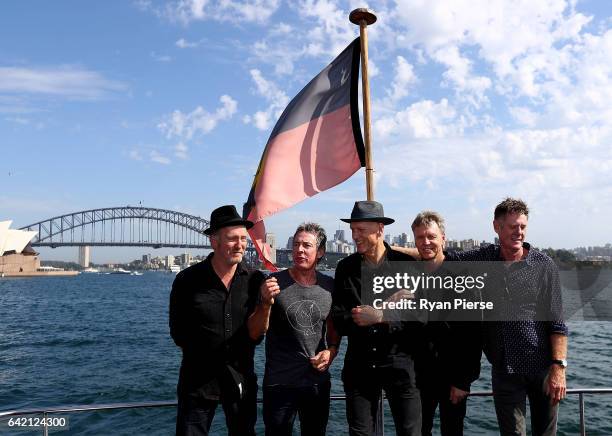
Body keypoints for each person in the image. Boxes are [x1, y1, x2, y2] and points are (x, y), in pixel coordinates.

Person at [445, 198, 568, 436]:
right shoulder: (485, 257)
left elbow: (557, 323)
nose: (519, 232)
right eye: (512, 226)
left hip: (542, 368)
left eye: (522, 226)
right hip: (505, 370)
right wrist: (390, 250)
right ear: (497, 227)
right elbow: (442, 257)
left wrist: (559, 368)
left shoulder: (544, 265)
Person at [332, 200, 422, 436]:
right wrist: (374, 312)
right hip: (359, 367)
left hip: (400, 366)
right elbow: (339, 319)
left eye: (361, 230)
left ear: (380, 229)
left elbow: (419, 318)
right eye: (353, 230)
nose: (355, 236)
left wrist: (381, 315)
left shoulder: (408, 266)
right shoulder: (345, 268)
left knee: (410, 432)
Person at [169, 205, 260, 436]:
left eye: (243, 238)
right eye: (232, 239)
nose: (240, 245)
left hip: (241, 381)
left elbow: (258, 334)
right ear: (214, 241)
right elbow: (178, 332)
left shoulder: (255, 280)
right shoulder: (187, 280)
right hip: (197, 383)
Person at [248, 222, 340, 436]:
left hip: (317, 384)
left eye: (307, 245)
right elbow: (254, 333)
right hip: (280, 384)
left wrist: (332, 352)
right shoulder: (272, 283)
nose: (299, 250)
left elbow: (333, 329)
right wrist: (264, 303)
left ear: (320, 252)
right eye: (296, 244)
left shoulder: (330, 286)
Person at [410, 211, 481, 436]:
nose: (426, 242)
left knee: (453, 432)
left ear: (443, 239)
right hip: (419, 378)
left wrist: (463, 382)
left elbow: (474, 335)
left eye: (431, 236)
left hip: (453, 379)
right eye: (420, 237)